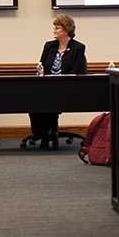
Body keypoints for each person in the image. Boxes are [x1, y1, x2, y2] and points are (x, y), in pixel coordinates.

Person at [29, 14, 87, 150]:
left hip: (68, 88)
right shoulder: (49, 46)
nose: (54, 31)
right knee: (32, 98)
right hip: (47, 87)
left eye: (57, 28)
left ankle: (44, 135)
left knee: (48, 100)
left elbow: (77, 71)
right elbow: (41, 67)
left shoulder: (78, 48)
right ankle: (41, 133)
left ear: (66, 31)